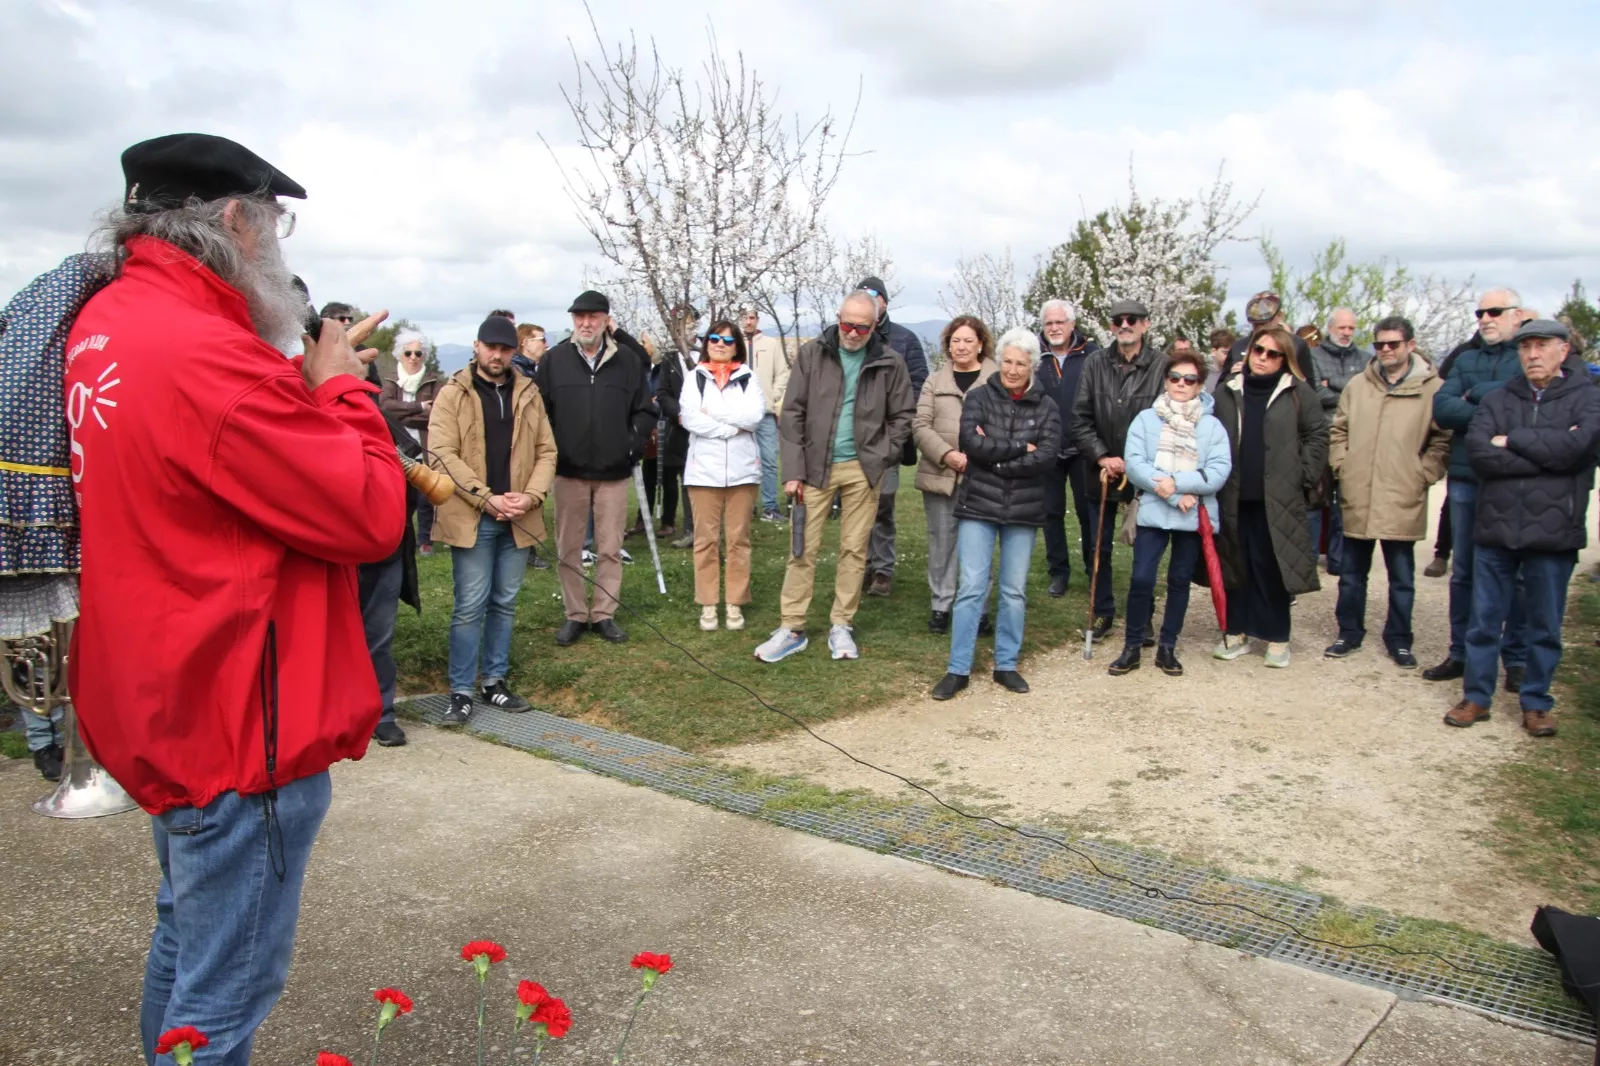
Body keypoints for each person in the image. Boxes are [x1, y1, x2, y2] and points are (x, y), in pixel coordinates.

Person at [65, 133, 406, 1064]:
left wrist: (296, 389)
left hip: (165, 692)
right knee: (224, 996)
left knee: (186, 949)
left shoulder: (109, 322)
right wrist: (338, 391)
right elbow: (371, 513)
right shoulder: (209, 355)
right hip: (235, 715)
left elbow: (210, 474)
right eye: (276, 223)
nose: (280, 245)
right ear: (231, 221)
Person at [1446, 319, 1600, 735]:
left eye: (1542, 345)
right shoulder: (1499, 398)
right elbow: (1479, 453)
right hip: (1497, 525)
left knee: (1544, 623)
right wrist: (1547, 450)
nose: (1533, 354)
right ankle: (1477, 697)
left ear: (1563, 350)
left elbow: (1578, 449)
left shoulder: (1587, 397)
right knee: (1483, 620)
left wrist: (1511, 440)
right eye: (1526, 347)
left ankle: (1536, 702)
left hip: (1553, 530)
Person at [754, 291, 915, 662]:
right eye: (847, 324)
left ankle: (842, 624)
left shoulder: (891, 362)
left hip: (863, 470)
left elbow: (903, 416)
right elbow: (792, 412)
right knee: (801, 549)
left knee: (855, 551)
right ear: (837, 316)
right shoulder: (813, 353)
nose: (853, 333)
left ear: (875, 325)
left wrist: (881, 455)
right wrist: (793, 471)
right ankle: (792, 626)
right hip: (814, 468)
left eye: (862, 326)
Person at [428, 315, 557, 724]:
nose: (497, 355)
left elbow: (546, 451)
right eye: (490, 347)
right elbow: (441, 455)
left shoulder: (529, 393)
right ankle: (461, 690)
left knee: (504, 603)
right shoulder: (453, 393)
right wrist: (485, 499)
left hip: (517, 514)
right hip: (474, 515)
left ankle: (494, 682)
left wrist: (532, 496)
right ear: (476, 346)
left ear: (513, 352)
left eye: (504, 348)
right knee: (470, 606)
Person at [930, 329, 1061, 699]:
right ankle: (958, 669)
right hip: (979, 506)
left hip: (1023, 508)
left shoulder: (1047, 406)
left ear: (1032, 366)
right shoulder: (979, 396)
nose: (1013, 369)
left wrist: (996, 461)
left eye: (1021, 363)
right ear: (998, 360)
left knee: (1014, 591)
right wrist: (1020, 446)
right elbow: (972, 443)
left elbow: (1047, 456)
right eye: (1007, 361)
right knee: (971, 588)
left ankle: (1007, 664)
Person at [1324, 316, 1450, 668]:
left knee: (1401, 576)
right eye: (1379, 344)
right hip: (1359, 489)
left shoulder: (1432, 388)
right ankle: (1348, 632)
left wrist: (1423, 473)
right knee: (1351, 574)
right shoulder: (1358, 386)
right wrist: (1342, 467)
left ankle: (1399, 639)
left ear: (1410, 344)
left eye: (1393, 343)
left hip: (1401, 492)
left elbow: (1442, 439)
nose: (1386, 350)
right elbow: (1339, 431)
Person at [1425, 287, 1530, 688]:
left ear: (1516, 316)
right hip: (1467, 477)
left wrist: (1478, 396)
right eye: (1480, 312)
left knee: (1517, 573)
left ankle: (1515, 658)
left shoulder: (1527, 358)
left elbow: (1530, 410)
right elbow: (1444, 409)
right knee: (1464, 571)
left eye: (1494, 311)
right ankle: (1460, 653)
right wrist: (1498, 407)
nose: (1484, 318)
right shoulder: (1465, 359)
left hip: (1515, 478)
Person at [539, 290, 656, 645]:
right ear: (573, 320)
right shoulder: (554, 360)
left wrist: (628, 444)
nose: (585, 323)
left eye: (593, 316)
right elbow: (539, 413)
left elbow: (646, 410)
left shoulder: (628, 362)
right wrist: (552, 451)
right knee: (569, 547)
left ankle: (604, 613)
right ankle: (575, 614)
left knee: (609, 547)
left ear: (606, 319)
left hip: (613, 472)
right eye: (579, 317)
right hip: (569, 470)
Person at [1108, 349, 1232, 677]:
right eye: (1175, 377)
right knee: (1142, 578)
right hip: (1154, 510)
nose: (1181, 384)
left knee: (1179, 580)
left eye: (1189, 379)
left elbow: (1218, 471)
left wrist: (1175, 482)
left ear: (1200, 385)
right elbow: (1135, 464)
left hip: (1193, 515)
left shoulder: (1212, 426)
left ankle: (1168, 646)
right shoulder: (1147, 419)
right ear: (1166, 381)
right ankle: (1132, 645)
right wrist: (1175, 494)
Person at [1210, 324, 1328, 668]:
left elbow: (1318, 435)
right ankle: (1237, 630)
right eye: (1257, 350)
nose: (1261, 358)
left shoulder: (1298, 393)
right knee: (1236, 561)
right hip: (1233, 493)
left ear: (1284, 359)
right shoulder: (1228, 391)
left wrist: (1301, 475)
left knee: (1272, 565)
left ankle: (1277, 636)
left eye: (1272, 353)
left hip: (1277, 497)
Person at [1071, 297, 1168, 641]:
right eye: (1117, 321)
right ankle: (1103, 612)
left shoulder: (1162, 365)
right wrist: (1102, 456)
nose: (1124, 326)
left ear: (1145, 324)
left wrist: (1137, 461)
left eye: (1132, 320)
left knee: (1145, 548)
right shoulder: (1095, 363)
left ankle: (1144, 617)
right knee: (1099, 547)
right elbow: (1080, 417)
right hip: (1100, 471)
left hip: (1144, 474)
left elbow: (1167, 421)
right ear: (1111, 327)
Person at [915, 315, 998, 634]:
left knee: (980, 544)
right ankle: (941, 605)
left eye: (967, 340)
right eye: (955, 341)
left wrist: (979, 454)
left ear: (980, 344)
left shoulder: (997, 378)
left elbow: (1006, 423)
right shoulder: (934, 381)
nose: (961, 347)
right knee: (942, 543)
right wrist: (947, 455)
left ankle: (979, 609)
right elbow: (920, 426)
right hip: (940, 474)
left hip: (984, 475)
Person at [681, 320, 766, 630]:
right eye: (714, 338)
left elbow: (755, 416)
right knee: (705, 541)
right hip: (703, 473)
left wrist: (714, 417)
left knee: (738, 540)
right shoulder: (695, 378)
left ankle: (734, 602)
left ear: (736, 346)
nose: (719, 344)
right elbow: (690, 418)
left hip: (742, 472)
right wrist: (731, 427)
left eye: (727, 341)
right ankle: (707, 604)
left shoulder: (747, 378)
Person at [858, 275, 930, 598]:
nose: (870, 298)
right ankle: (861, 565)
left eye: (875, 294)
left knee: (883, 503)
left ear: (886, 301)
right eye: (863, 294)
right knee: (857, 504)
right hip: (853, 437)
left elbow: (918, 384)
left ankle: (883, 569)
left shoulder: (905, 340)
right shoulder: (851, 336)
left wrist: (898, 424)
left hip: (888, 435)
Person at [1034, 298, 1102, 598]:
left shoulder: (1092, 354)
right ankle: (1058, 573)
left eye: (1060, 322)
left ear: (1072, 324)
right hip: (1047, 447)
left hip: (1083, 448)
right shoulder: (1033, 354)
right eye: (1049, 323)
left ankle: (1094, 571)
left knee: (1088, 513)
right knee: (1051, 512)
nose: (1054, 328)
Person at [1307, 308, 1369, 575]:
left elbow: (1368, 396)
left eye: (1351, 328)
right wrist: (1351, 389)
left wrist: (1332, 383)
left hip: (1354, 437)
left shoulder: (1367, 359)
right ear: (1330, 328)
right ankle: (1307, 560)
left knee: (1346, 501)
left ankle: (1338, 559)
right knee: (1314, 499)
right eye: (1342, 328)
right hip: (1321, 434)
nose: (1346, 333)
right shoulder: (1313, 356)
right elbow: (1316, 393)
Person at [380, 328, 443, 555]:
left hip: (425, 448)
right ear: (400, 355)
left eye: (418, 353)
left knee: (426, 500)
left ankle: (425, 540)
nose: (414, 358)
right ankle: (400, 540)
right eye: (408, 353)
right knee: (401, 499)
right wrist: (417, 408)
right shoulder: (390, 380)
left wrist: (402, 415)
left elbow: (436, 413)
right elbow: (385, 408)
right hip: (398, 449)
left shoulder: (433, 381)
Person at [741, 306, 790, 522]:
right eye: (745, 318)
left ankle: (770, 506)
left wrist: (772, 395)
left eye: (752, 317)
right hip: (740, 414)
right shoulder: (733, 345)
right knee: (742, 461)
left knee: (769, 460)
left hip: (766, 413)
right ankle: (744, 506)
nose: (749, 322)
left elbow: (782, 373)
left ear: (758, 319)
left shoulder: (771, 345)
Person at [654, 337, 697, 545]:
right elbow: (662, 393)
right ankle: (678, 526)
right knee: (677, 478)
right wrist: (678, 413)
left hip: (704, 428)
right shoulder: (669, 359)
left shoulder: (705, 355)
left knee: (693, 481)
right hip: (677, 429)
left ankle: (695, 529)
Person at [1204, 328, 1236, 395]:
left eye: (1231, 353)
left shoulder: (1235, 374)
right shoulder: (1203, 375)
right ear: (1214, 352)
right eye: (1225, 353)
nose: (1229, 356)